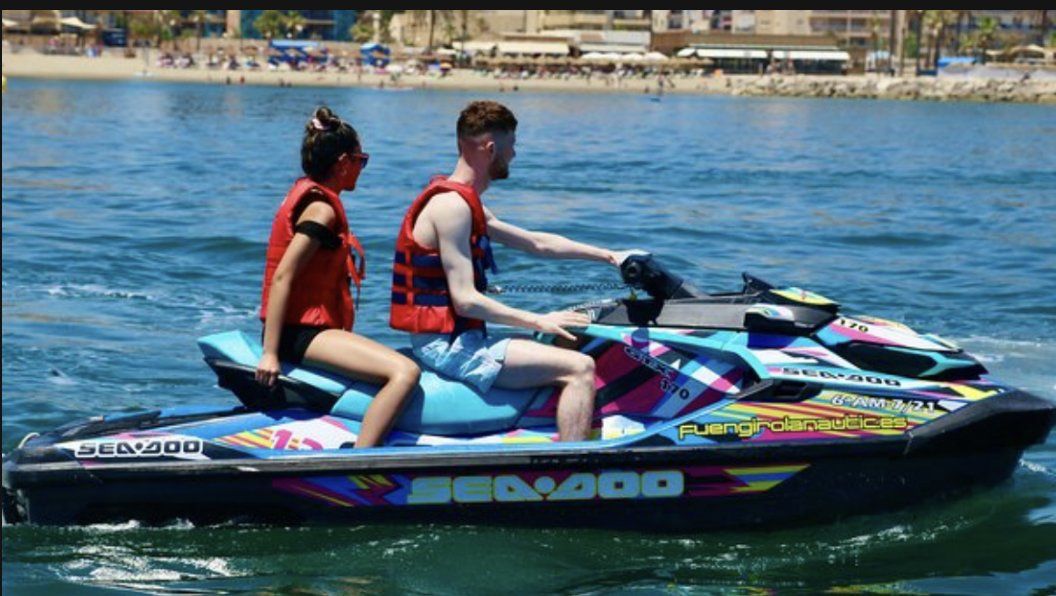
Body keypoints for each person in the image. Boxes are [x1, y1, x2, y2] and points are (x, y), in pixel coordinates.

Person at [390, 100, 643, 442]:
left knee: (567, 338)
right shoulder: (451, 208)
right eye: (511, 145)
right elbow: (465, 301)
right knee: (580, 368)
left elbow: (537, 243)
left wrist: (610, 256)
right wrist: (539, 320)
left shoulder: (465, 202)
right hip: (447, 345)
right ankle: (572, 464)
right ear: (490, 149)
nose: (514, 154)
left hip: (461, 336)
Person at [257, 106, 419, 448]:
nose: (362, 168)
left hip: (304, 329)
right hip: (300, 333)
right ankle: (360, 462)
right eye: (362, 160)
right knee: (405, 372)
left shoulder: (311, 195)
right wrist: (270, 352)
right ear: (344, 162)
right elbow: (284, 276)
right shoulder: (322, 210)